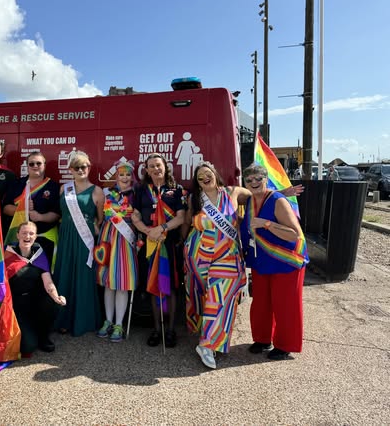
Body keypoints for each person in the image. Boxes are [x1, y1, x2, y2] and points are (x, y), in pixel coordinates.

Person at [239, 163, 308, 360]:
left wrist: (267, 224)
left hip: (285, 260)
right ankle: (262, 339)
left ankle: (285, 345)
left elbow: (294, 234)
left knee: (285, 305)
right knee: (261, 302)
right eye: (249, 180)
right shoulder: (250, 200)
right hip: (262, 260)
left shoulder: (278, 201)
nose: (253, 182)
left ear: (266, 179)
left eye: (258, 179)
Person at [183, 162, 248, 369]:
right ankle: (213, 337)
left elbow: (259, 196)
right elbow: (187, 222)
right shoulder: (195, 199)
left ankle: (207, 345)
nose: (204, 178)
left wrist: (282, 193)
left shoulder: (232, 192)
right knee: (206, 298)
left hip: (227, 254)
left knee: (219, 296)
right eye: (200, 177)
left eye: (207, 174)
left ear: (214, 174)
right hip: (199, 255)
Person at [131, 153, 186, 348]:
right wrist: (148, 231)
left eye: (158, 165)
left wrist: (161, 229)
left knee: (169, 287)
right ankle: (156, 330)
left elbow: (180, 218)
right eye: (151, 166)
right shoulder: (140, 190)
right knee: (154, 286)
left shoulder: (176, 190)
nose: (156, 169)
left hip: (169, 245)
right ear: (146, 170)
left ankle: (170, 330)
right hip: (150, 245)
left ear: (165, 167)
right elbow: (135, 216)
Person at [54, 151, 105, 337]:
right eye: (77, 167)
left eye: (84, 166)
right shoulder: (63, 189)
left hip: (85, 239)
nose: (81, 170)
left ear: (89, 168)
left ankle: (83, 320)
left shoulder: (97, 191)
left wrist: (94, 228)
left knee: (83, 277)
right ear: (71, 170)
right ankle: (63, 319)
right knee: (65, 274)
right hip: (66, 237)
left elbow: (100, 219)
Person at [0, 222, 66, 357]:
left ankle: (43, 336)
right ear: (17, 235)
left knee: (52, 302)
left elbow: (48, 282)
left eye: (31, 233)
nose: (27, 236)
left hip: (34, 302)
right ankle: (29, 333)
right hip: (15, 306)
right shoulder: (6, 253)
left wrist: (56, 297)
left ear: (35, 237)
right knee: (28, 347)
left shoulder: (39, 253)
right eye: (24, 233)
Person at [95, 160, 138, 342]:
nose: (125, 177)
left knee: (121, 282)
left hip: (125, 239)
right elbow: (102, 216)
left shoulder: (137, 194)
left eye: (128, 174)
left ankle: (119, 324)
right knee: (108, 283)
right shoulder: (109, 194)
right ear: (116, 176)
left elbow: (138, 216)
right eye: (121, 174)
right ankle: (108, 321)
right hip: (108, 238)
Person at [3, 152, 60, 263]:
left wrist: (40, 217)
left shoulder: (54, 187)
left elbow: (56, 214)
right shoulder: (17, 184)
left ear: (44, 165)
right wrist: (22, 209)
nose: (35, 166)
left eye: (38, 163)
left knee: (42, 274)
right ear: (27, 166)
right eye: (31, 164)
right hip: (19, 240)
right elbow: (5, 208)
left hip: (44, 239)